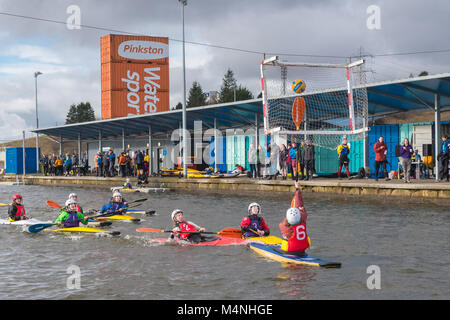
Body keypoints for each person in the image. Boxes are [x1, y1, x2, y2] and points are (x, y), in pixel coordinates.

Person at [278, 181, 309, 254]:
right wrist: (297, 188)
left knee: (285, 238)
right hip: (303, 247)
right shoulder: (303, 220)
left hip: (292, 249)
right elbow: (302, 209)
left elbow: (281, 225)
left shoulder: (285, 226)